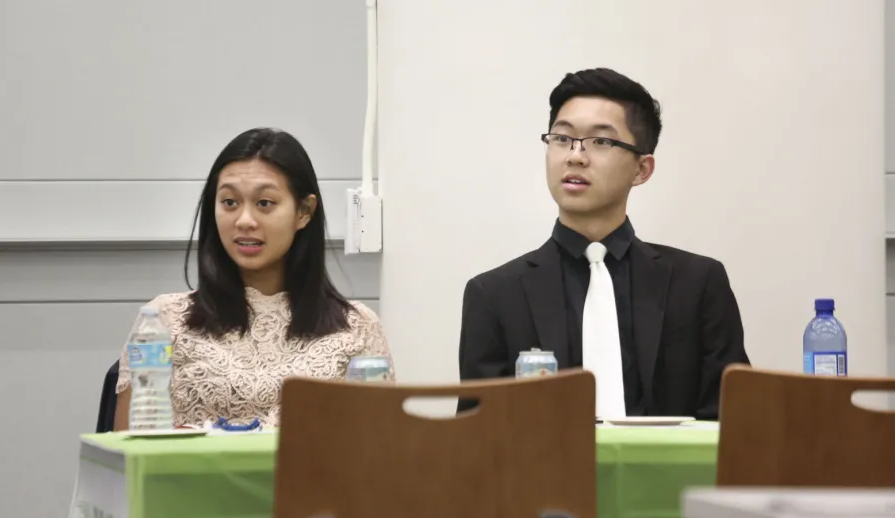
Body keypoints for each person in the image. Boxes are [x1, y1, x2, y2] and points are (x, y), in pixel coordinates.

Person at [457, 68, 749, 420]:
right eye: (562, 138)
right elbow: (477, 439)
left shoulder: (698, 284)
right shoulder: (495, 295)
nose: (575, 156)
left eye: (602, 142)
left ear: (642, 169)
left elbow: (732, 422)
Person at [114, 128, 394, 430]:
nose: (244, 221)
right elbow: (129, 455)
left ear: (304, 211)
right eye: (230, 202)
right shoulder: (164, 320)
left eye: (264, 203)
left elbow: (379, 454)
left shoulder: (357, 327)